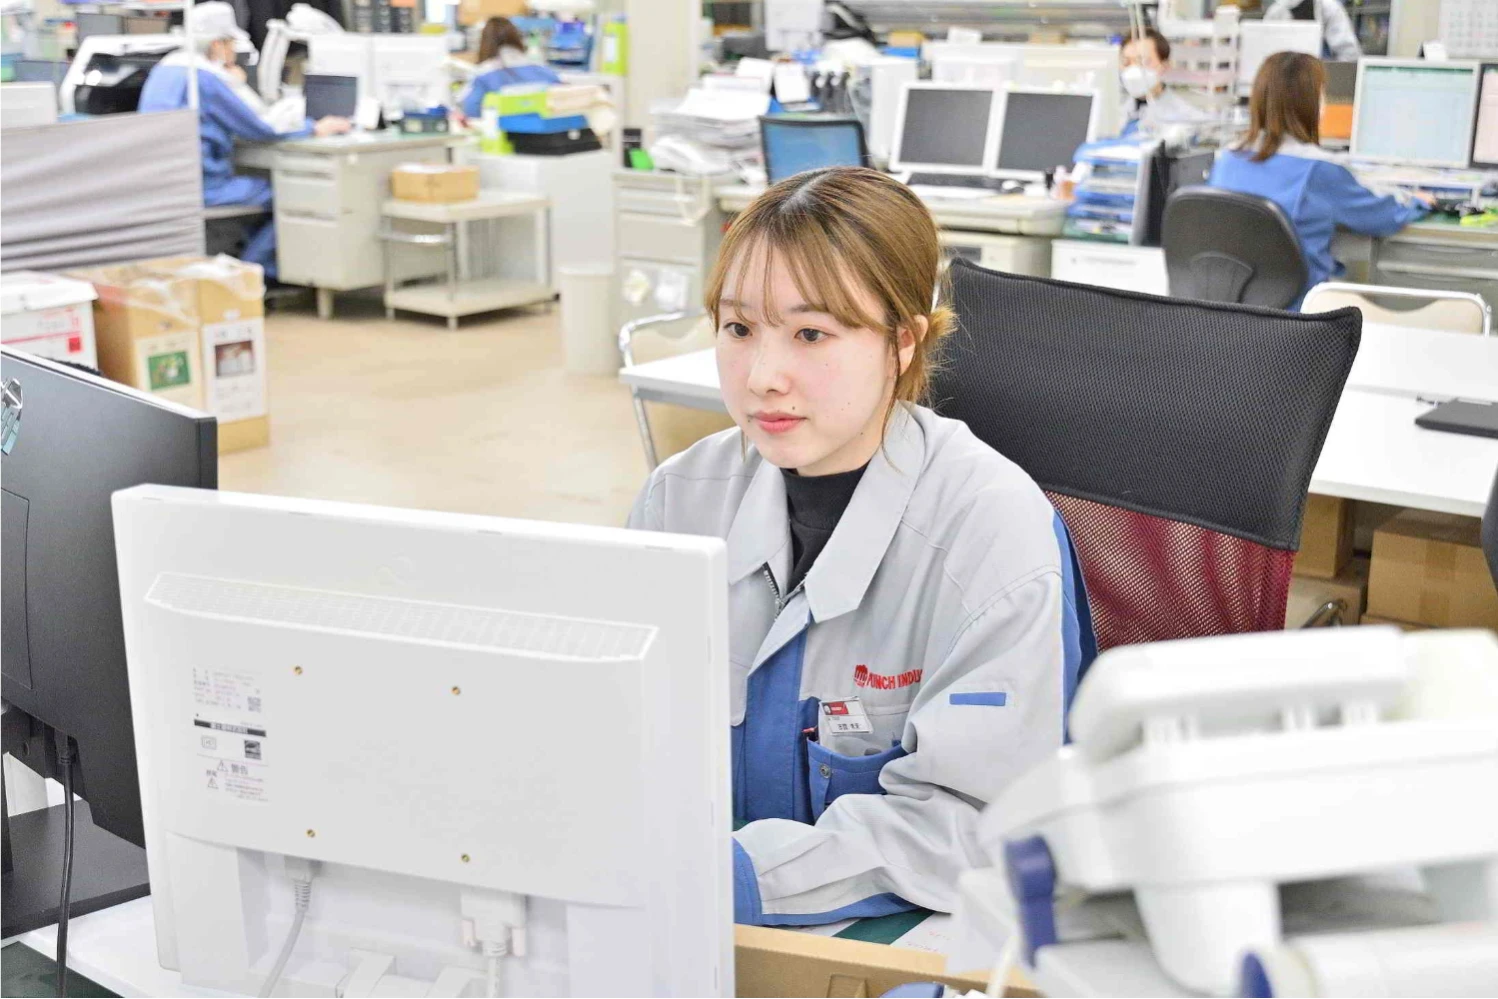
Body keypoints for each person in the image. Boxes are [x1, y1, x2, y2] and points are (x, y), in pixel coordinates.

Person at [627, 167, 1094, 925]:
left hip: (914, 929)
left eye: (811, 334)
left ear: (902, 343)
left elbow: (976, 822)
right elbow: (617, 734)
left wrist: (733, 878)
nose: (763, 377)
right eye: (739, 329)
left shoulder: (990, 533)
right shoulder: (680, 499)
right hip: (681, 916)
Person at [137, 1, 350, 281]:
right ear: (218, 45)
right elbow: (261, 129)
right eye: (231, 45)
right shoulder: (205, 78)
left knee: (260, 189)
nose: (234, 53)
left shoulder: (165, 69)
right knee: (289, 193)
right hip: (205, 187)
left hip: (165, 186)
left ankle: (246, 267)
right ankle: (253, 274)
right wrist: (315, 128)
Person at [1208, 52, 1427, 309]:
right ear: (1310, 102)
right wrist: (1417, 201)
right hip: (1299, 314)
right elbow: (1383, 217)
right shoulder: (1319, 170)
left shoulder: (1226, 160)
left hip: (1230, 313)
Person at [457, 17, 561, 121]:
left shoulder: (484, 73)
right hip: (545, 129)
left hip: (499, 129)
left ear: (484, 42)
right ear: (517, 37)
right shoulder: (541, 68)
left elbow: (471, 109)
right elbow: (561, 99)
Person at [1119, 27, 1209, 138]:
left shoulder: (1187, 118)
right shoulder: (1113, 111)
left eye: (1143, 61)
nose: (1133, 69)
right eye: (1126, 62)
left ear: (1165, 65)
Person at [1265, 0, 1363, 62]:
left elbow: (1350, 53)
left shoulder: (1329, 8)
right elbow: (1266, 51)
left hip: (1324, 71)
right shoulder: (1276, 12)